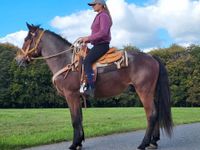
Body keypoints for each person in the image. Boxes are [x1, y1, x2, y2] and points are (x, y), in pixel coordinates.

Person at [79, 0, 113, 96]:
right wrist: (87, 40)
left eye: (94, 4)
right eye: (92, 5)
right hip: (97, 45)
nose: (92, 6)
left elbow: (103, 33)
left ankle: (91, 87)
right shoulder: (100, 15)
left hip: (102, 45)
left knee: (87, 61)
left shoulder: (103, 16)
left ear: (101, 5)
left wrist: (88, 38)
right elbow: (97, 34)